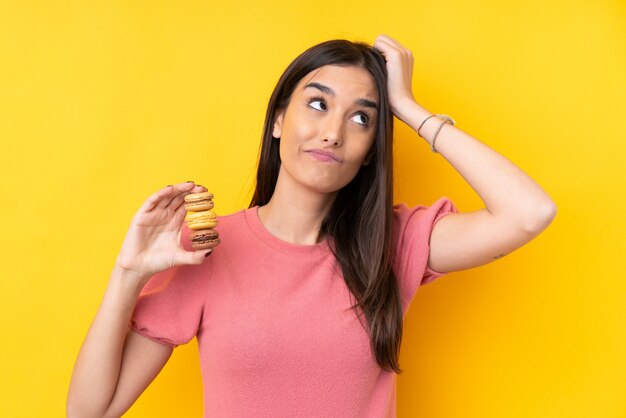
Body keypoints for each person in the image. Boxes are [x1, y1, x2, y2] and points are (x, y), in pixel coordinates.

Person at [67, 34, 557, 417]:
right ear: (279, 119)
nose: (333, 132)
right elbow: (89, 411)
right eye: (318, 104)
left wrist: (407, 107)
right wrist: (129, 273)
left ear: (370, 153)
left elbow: (528, 212)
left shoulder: (391, 243)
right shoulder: (206, 248)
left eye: (362, 119)